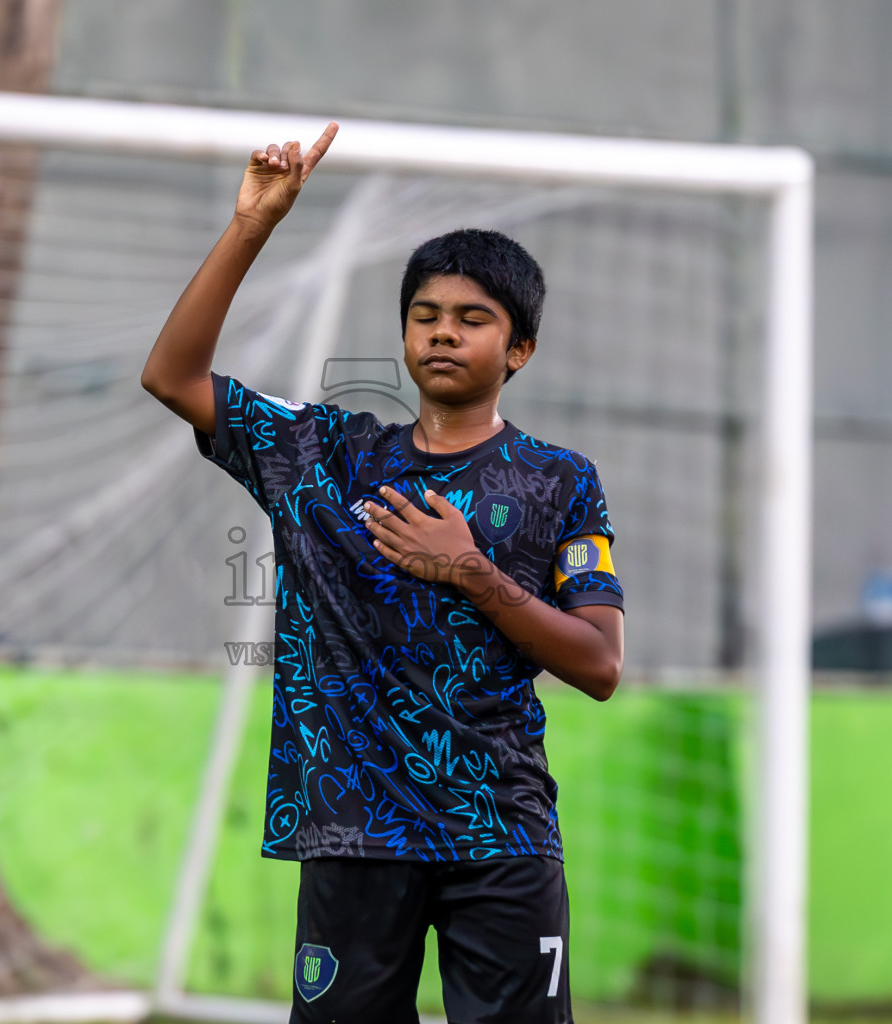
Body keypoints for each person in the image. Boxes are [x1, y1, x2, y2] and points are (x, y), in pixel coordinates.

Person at [141, 123, 625, 1024]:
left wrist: (473, 572)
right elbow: (172, 375)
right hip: (352, 831)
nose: (444, 334)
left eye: (473, 319)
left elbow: (599, 665)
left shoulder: (562, 481)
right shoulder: (321, 454)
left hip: (501, 833)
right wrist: (253, 224)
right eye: (426, 316)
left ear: (517, 350)